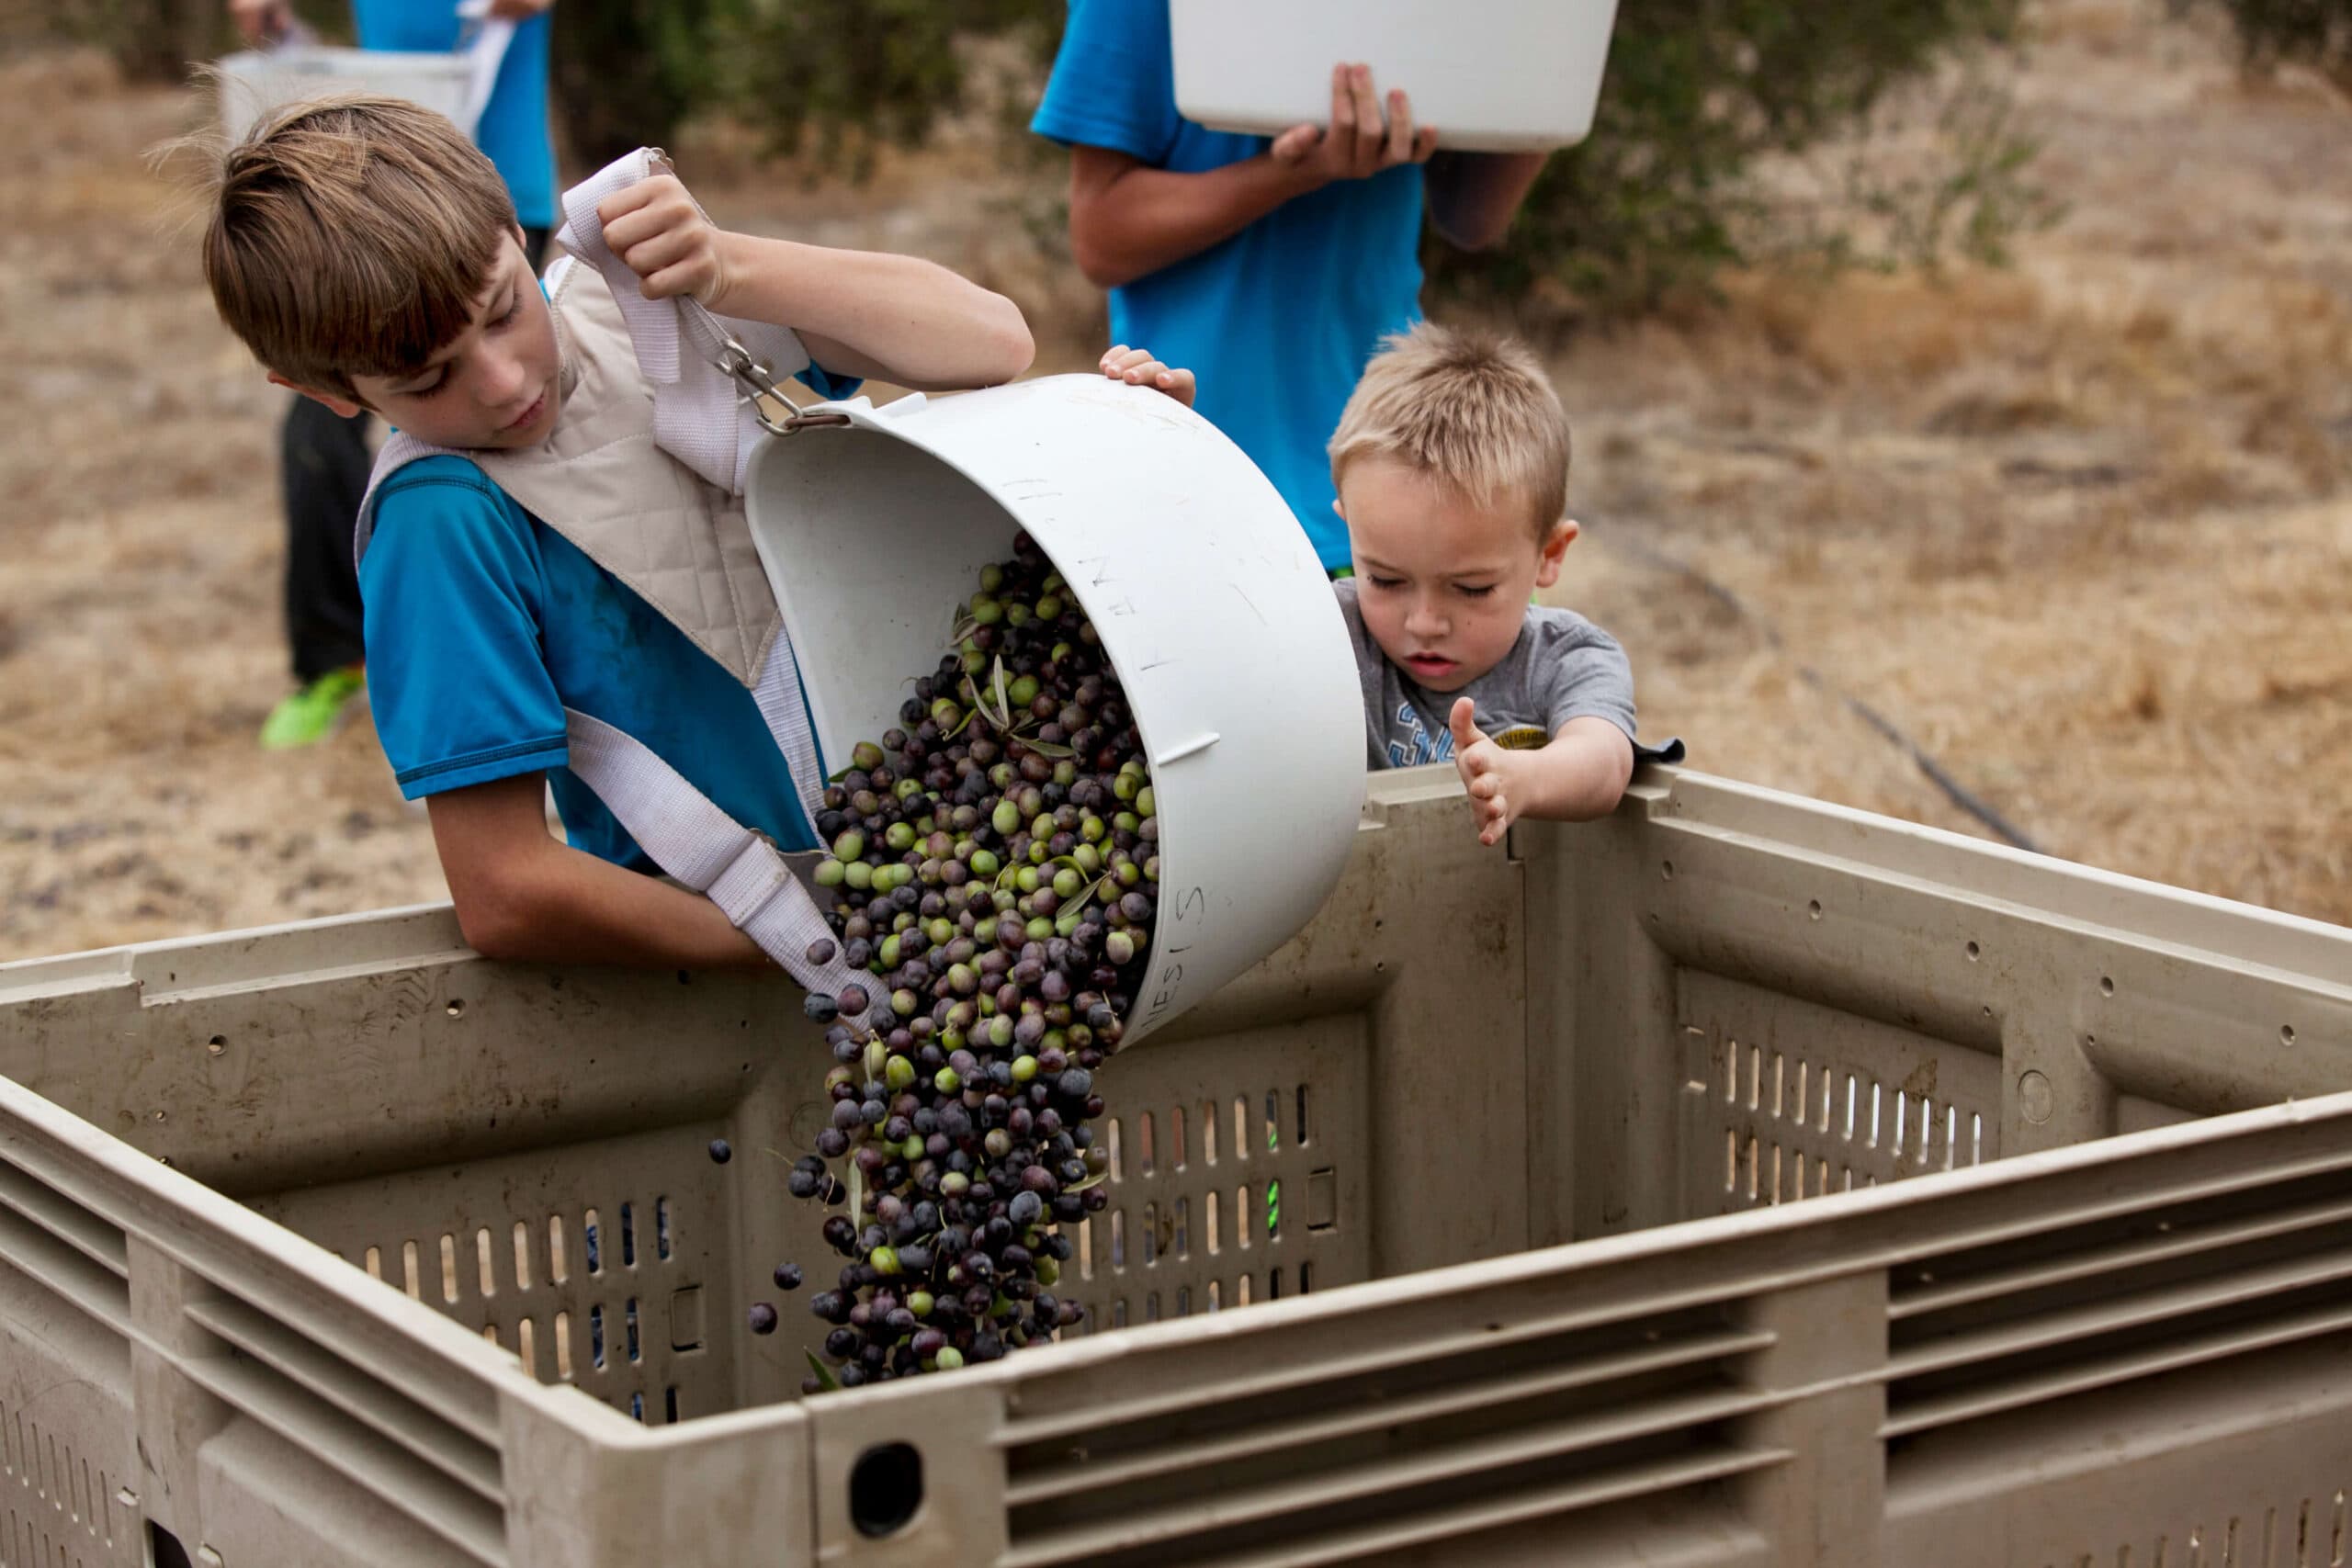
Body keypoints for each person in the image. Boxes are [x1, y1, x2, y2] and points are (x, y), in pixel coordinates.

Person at [201, 97, 1035, 969]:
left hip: (966, 876)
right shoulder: (441, 522)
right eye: (426, 378)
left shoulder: (638, 307)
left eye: (500, 311)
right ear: (327, 392)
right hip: (779, 969)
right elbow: (505, 890)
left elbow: (990, 342)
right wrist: (804, 946)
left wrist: (729, 267)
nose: (499, 380)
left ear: (511, 226)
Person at [1032, 0, 1551, 574]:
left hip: (1396, 480)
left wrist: (1544, 74)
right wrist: (1303, 170)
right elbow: (1103, 236)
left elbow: (1472, 218)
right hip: (1203, 479)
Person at [1101, 329, 1675, 846]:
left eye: (1471, 588)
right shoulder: (1330, 630)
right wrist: (1167, 458)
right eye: (1385, 579)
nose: (1424, 621)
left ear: (1549, 555)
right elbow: (1203, 611)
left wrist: (1524, 778)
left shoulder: (1566, 658)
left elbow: (1603, 764)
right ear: (1348, 529)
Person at [225, 0, 560, 750]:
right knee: (316, 442)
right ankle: (335, 658)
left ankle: (541, 658)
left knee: (523, 424)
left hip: (483, 199)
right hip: (365, 217)